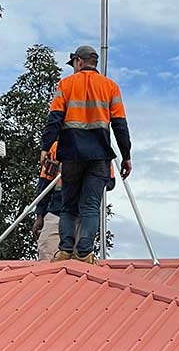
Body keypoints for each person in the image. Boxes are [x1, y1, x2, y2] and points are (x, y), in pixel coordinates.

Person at [40, 44, 132, 264]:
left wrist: (46, 147)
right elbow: (120, 124)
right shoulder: (111, 87)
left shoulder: (65, 85)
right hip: (99, 155)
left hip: (71, 154)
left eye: (73, 64)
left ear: (79, 62)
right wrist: (126, 155)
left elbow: (54, 119)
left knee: (69, 205)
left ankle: (65, 250)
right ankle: (85, 253)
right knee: (91, 206)